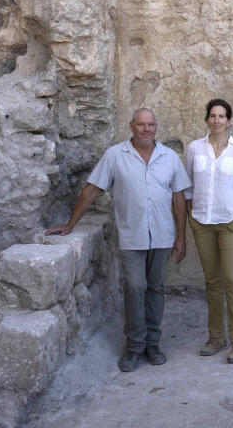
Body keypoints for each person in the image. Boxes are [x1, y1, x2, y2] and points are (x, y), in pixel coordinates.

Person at [45, 108, 190, 372]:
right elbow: (92, 189)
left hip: (162, 234)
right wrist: (70, 224)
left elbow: (179, 197)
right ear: (131, 126)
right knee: (135, 287)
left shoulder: (169, 157)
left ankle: (153, 344)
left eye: (151, 125)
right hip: (132, 234)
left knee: (155, 288)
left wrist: (181, 236)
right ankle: (134, 347)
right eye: (141, 124)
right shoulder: (115, 155)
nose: (146, 129)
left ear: (156, 127)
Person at [184, 98, 233, 364]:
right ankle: (216, 337)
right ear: (207, 120)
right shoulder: (194, 149)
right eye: (212, 116)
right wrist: (191, 214)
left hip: (229, 223)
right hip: (202, 222)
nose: (217, 120)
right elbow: (188, 184)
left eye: (222, 116)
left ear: (230, 120)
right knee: (212, 282)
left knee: (232, 280)